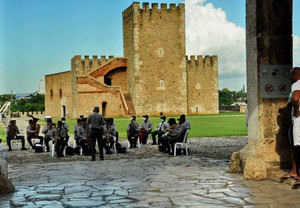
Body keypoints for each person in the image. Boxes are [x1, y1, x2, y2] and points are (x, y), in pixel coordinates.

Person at [281, 67, 300, 188]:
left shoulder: (297, 84)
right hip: (295, 121)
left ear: (295, 75)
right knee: (295, 146)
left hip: (298, 120)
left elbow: (295, 97)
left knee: (298, 147)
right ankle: (294, 171)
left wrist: (296, 110)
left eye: (290, 75)